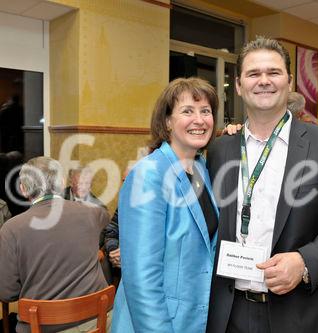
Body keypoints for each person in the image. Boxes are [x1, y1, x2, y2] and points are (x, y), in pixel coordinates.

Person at [206, 37, 318, 333]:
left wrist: (305, 261)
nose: (264, 81)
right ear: (238, 85)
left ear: (290, 82)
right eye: (253, 74)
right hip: (227, 312)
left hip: (298, 313)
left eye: (274, 72)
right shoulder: (220, 149)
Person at [111, 77, 219, 333]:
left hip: (194, 319)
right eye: (187, 111)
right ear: (168, 122)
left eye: (206, 111)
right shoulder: (149, 175)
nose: (200, 120)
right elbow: (141, 279)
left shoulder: (201, 168)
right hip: (158, 323)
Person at [0, 156, 110, 333]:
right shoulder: (93, 213)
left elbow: (7, 293)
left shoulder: (11, 229)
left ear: (22, 188)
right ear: (62, 182)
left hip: (43, 326)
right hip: (98, 320)